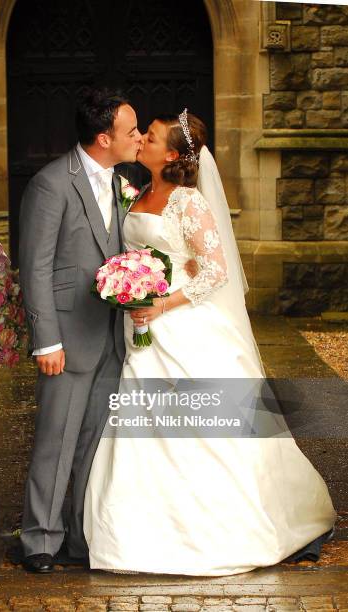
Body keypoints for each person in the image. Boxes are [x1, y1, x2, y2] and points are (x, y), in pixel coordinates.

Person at [82, 110, 337, 576]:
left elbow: (215, 271)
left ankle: (223, 529)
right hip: (143, 331)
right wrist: (128, 286)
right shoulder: (138, 192)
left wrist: (160, 304)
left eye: (152, 138)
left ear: (173, 155)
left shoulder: (189, 202)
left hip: (182, 326)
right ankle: (139, 532)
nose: (141, 141)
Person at [18, 87, 142, 573]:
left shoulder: (122, 180)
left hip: (112, 336)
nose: (138, 137)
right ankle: (39, 540)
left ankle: (80, 535)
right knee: (56, 440)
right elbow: (36, 268)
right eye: (130, 131)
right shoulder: (51, 184)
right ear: (102, 137)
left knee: (94, 442)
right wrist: (45, 340)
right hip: (67, 340)